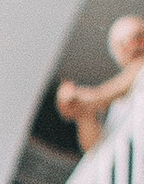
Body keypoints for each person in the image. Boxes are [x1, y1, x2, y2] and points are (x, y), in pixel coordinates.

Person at [56, 14, 144, 151]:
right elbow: (93, 149)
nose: (136, 45)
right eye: (125, 42)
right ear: (117, 52)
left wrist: (89, 99)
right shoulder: (118, 104)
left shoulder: (138, 70)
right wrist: (84, 115)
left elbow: (138, 69)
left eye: (139, 36)